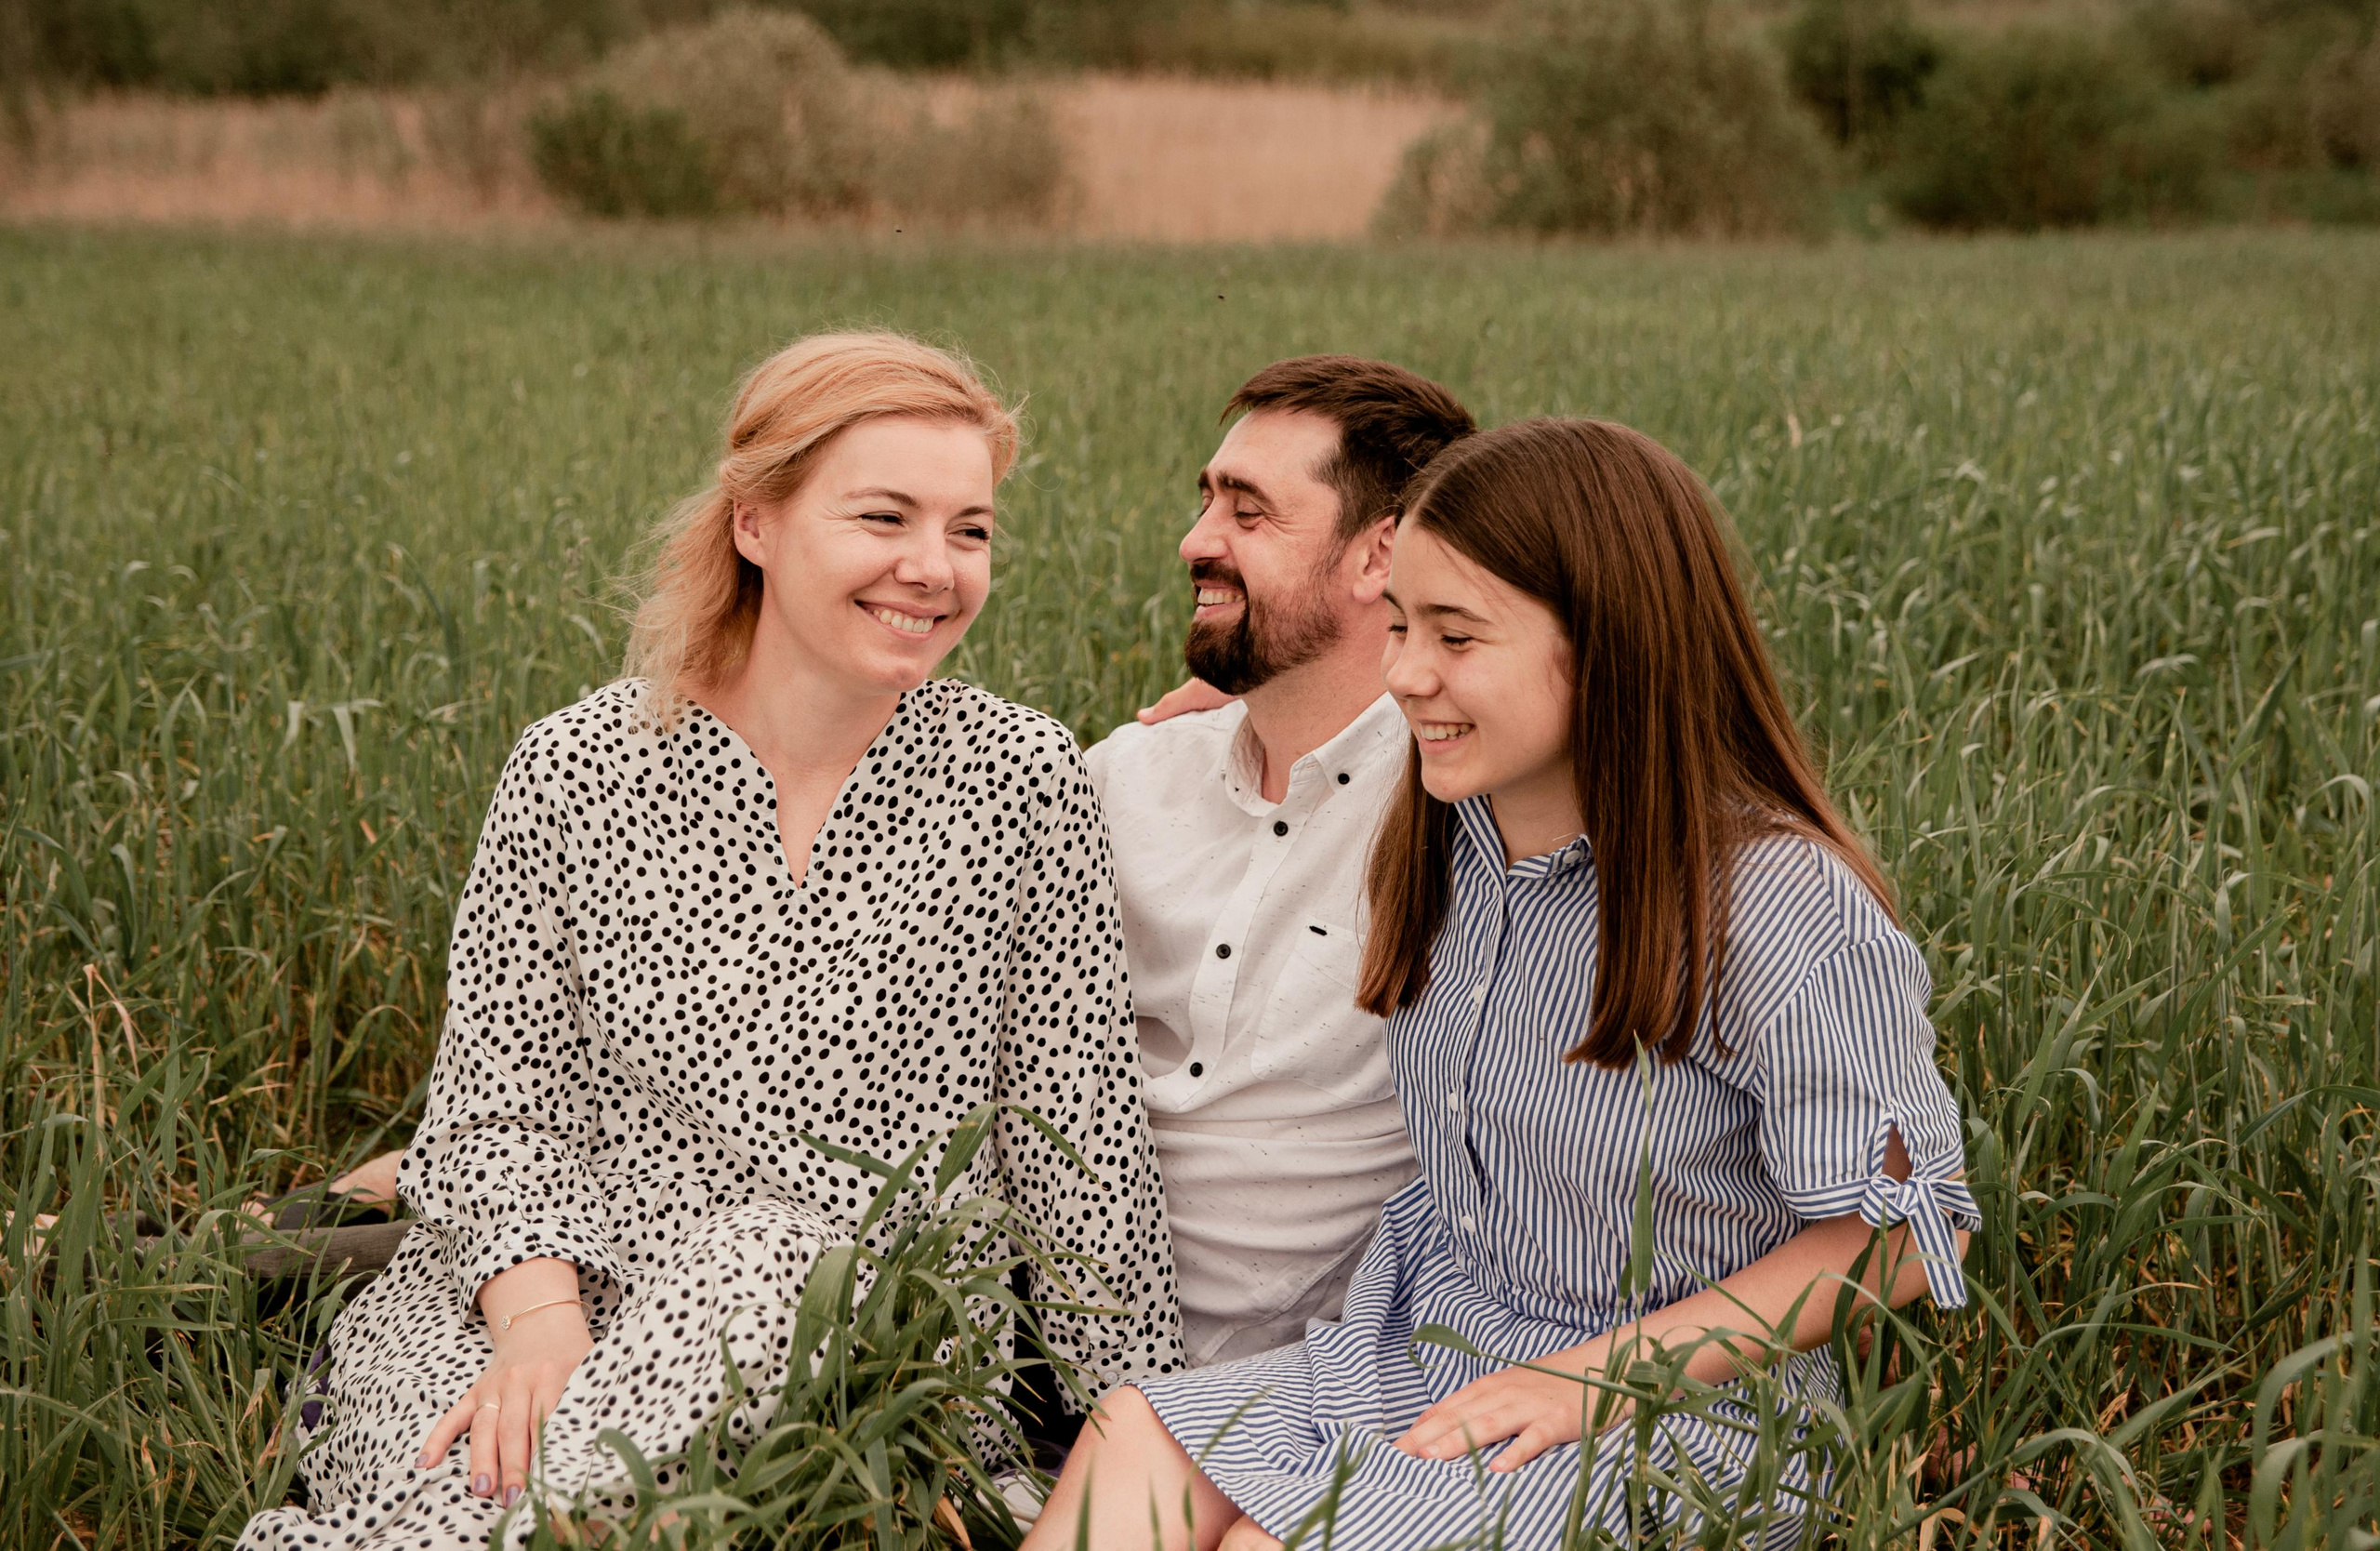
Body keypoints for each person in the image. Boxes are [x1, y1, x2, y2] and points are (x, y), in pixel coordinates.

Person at [238, 331, 1185, 1551]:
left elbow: (1080, 1145)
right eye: (884, 517)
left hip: (838, 1329)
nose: (933, 567)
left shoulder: (1018, 777)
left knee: (768, 1267)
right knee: (463, 1449)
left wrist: (1151, 1424)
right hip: (540, 1299)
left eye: (971, 530)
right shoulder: (577, 770)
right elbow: (491, 1111)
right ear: (755, 524)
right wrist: (541, 1328)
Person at [1023, 418, 1981, 1551]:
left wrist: (1595, 1380)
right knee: (1135, 1439)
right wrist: (1238, 703)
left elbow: (1905, 1235)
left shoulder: (1776, 904)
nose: (1404, 674)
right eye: (1397, 625)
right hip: (1427, 1331)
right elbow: (1334, 700)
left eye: (1455, 636)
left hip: (1679, 1403)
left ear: (1610, 643)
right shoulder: (1446, 826)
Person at [1087, 356, 1475, 1369]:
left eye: (1248, 513)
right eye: (1206, 501)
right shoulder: (1125, 777)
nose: (1196, 542)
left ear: (1381, 554)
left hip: (1294, 1389)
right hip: (1035, 1342)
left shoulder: (1464, 812)